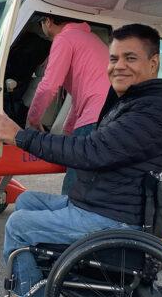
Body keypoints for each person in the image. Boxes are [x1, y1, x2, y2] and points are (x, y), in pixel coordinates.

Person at [0, 24, 162, 297]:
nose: (119, 66)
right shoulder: (132, 103)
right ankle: (32, 282)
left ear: (153, 63)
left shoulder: (149, 112)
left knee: (18, 225)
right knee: (27, 200)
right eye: (114, 58)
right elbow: (92, 147)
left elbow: (90, 151)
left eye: (130, 58)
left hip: (115, 217)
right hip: (104, 203)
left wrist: (21, 136)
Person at [27, 13, 111, 195]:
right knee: (95, 185)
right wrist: (68, 132)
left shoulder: (64, 39)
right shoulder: (90, 38)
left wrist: (32, 120)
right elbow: (79, 97)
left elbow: (49, 86)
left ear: (48, 22)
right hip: (111, 116)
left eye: (41, 23)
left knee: (73, 190)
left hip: (94, 119)